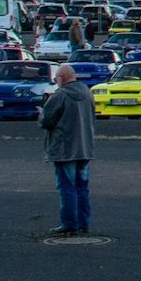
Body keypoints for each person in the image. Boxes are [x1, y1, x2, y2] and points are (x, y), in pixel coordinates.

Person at [41, 63, 96, 235]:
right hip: (84, 148)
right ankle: (83, 223)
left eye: (56, 77)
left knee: (67, 188)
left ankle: (69, 224)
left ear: (62, 78)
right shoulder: (87, 93)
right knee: (82, 188)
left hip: (65, 150)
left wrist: (40, 115)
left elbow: (47, 121)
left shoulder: (60, 96)